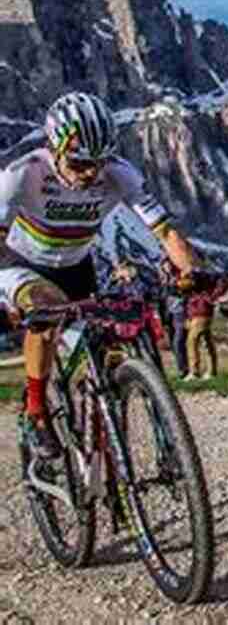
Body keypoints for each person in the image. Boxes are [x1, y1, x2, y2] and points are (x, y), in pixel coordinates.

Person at [0, 92, 198, 461]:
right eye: (79, 162)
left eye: (99, 162)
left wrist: (190, 271)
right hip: (22, 263)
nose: (91, 173)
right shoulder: (21, 174)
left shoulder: (119, 174)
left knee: (107, 344)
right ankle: (36, 411)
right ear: (54, 146)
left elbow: (166, 231)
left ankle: (106, 432)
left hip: (77, 264)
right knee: (46, 309)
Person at [179, 269, 228, 380]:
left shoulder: (205, 278)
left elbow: (222, 282)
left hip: (202, 313)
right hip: (197, 313)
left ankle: (194, 372)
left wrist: (211, 297)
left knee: (191, 341)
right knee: (207, 343)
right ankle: (212, 371)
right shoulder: (195, 280)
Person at [158, 258, 190, 377]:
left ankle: (184, 369)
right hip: (167, 315)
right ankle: (183, 367)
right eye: (165, 265)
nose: (167, 267)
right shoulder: (161, 281)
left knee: (179, 341)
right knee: (173, 343)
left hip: (180, 312)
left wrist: (172, 285)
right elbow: (160, 299)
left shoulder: (180, 277)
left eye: (169, 265)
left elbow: (185, 290)